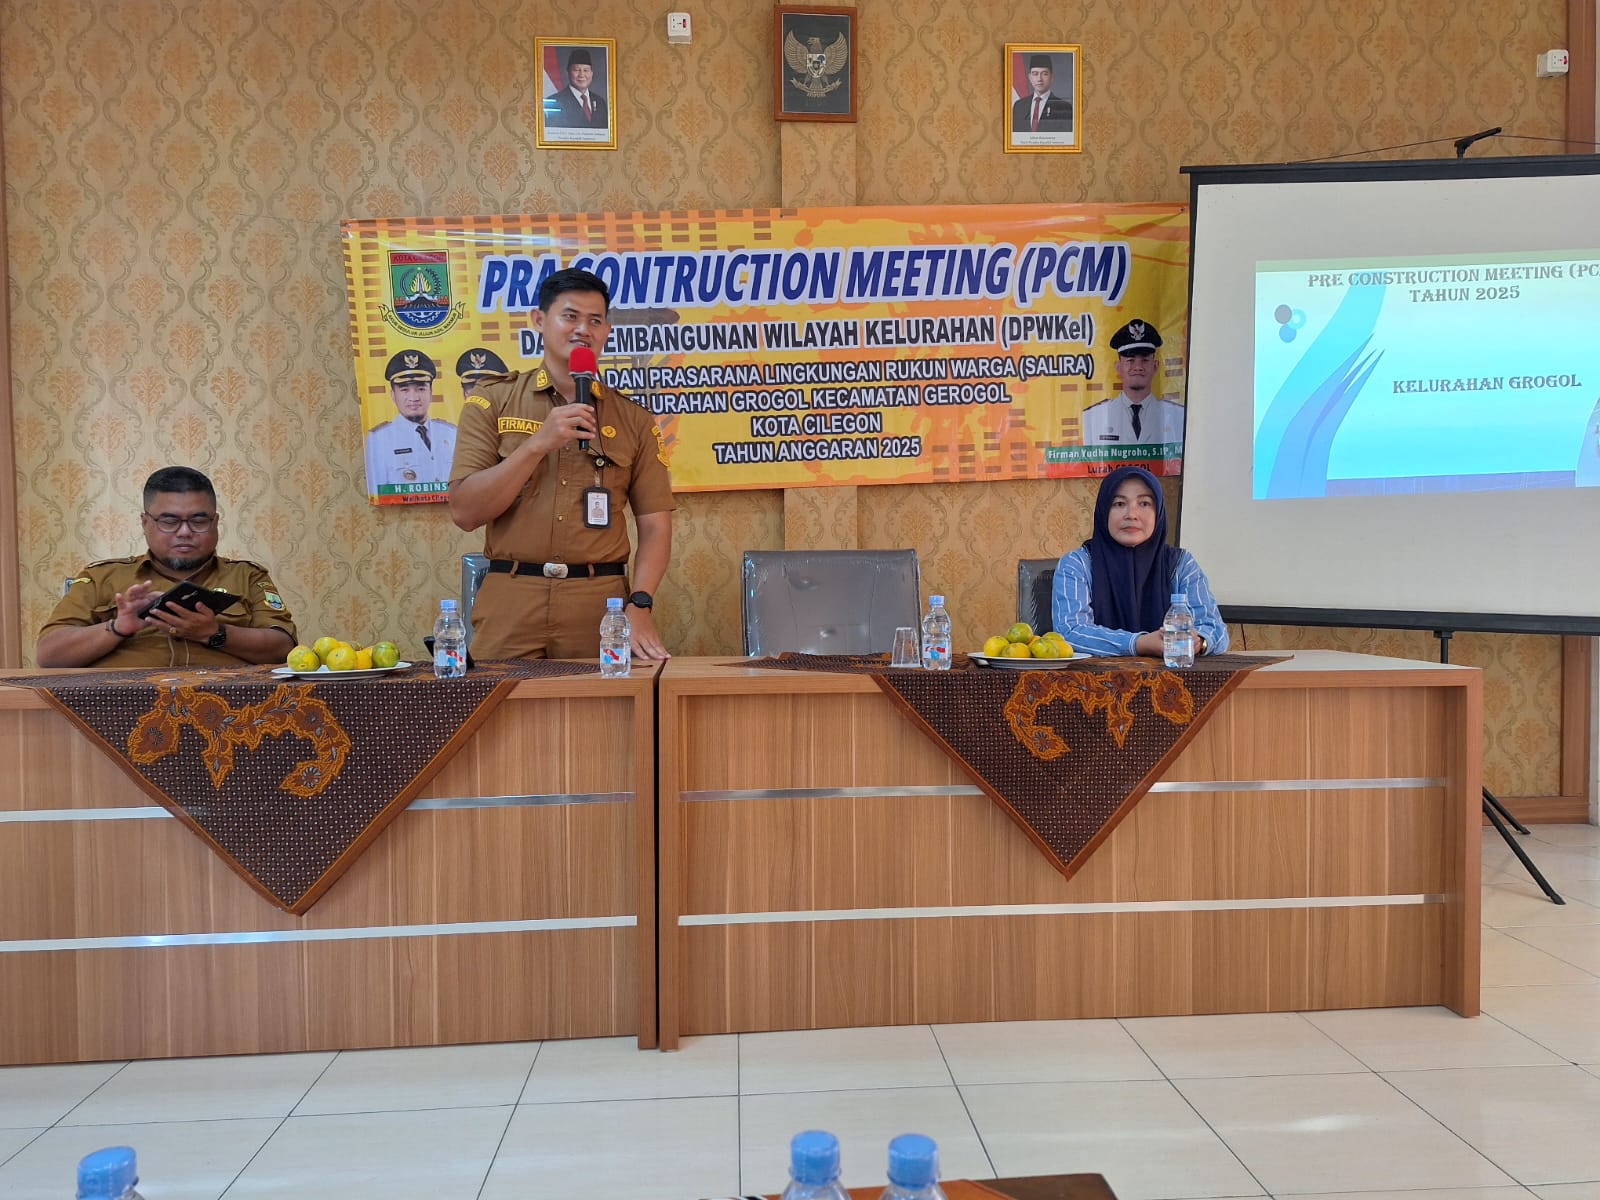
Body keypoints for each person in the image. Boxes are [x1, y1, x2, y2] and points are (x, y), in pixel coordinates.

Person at [449, 267, 674, 661]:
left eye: (595, 320)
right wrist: (537, 445)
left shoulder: (633, 419)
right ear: (539, 320)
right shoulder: (493, 401)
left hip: (599, 602)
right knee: (500, 701)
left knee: (605, 702)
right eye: (570, 316)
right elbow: (465, 512)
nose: (583, 329)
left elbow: (655, 525)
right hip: (511, 597)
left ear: (607, 331)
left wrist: (641, 603)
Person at [37, 466, 298, 669]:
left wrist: (215, 633)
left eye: (198, 520)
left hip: (229, 711)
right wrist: (118, 627)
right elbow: (49, 655)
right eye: (169, 521)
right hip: (122, 710)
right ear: (145, 522)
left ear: (215, 522)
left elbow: (284, 649)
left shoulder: (247, 576)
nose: (184, 532)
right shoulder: (102, 577)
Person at [1050, 465, 1228, 658]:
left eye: (1144, 503)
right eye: (1119, 504)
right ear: (1103, 511)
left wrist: (1199, 641)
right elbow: (1070, 632)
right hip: (1092, 677)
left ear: (1158, 512)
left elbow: (1215, 630)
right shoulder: (1077, 564)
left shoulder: (1181, 565)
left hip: (1172, 675)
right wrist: (1138, 643)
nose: (1131, 514)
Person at [1080, 319, 1186, 446]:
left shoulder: (1177, 415)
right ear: (1118, 367)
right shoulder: (1093, 417)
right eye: (1130, 360)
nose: (1138, 367)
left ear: (1155, 366)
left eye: (1145, 360)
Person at [365, 349, 457, 491]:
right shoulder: (378, 440)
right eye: (404, 390)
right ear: (393, 395)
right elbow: (378, 493)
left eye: (420, 389)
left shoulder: (451, 433)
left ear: (431, 392)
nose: (413, 398)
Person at [544, 48, 609, 129]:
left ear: (592, 73)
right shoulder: (555, 103)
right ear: (568, 72)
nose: (581, 75)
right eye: (577, 70)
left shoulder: (600, 103)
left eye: (586, 70)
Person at [1012, 53, 1073, 133]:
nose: (1039, 79)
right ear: (1030, 78)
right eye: (1035, 74)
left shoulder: (1064, 108)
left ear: (1052, 77)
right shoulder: (1019, 106)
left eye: (1044, 74)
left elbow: (1065, 137)